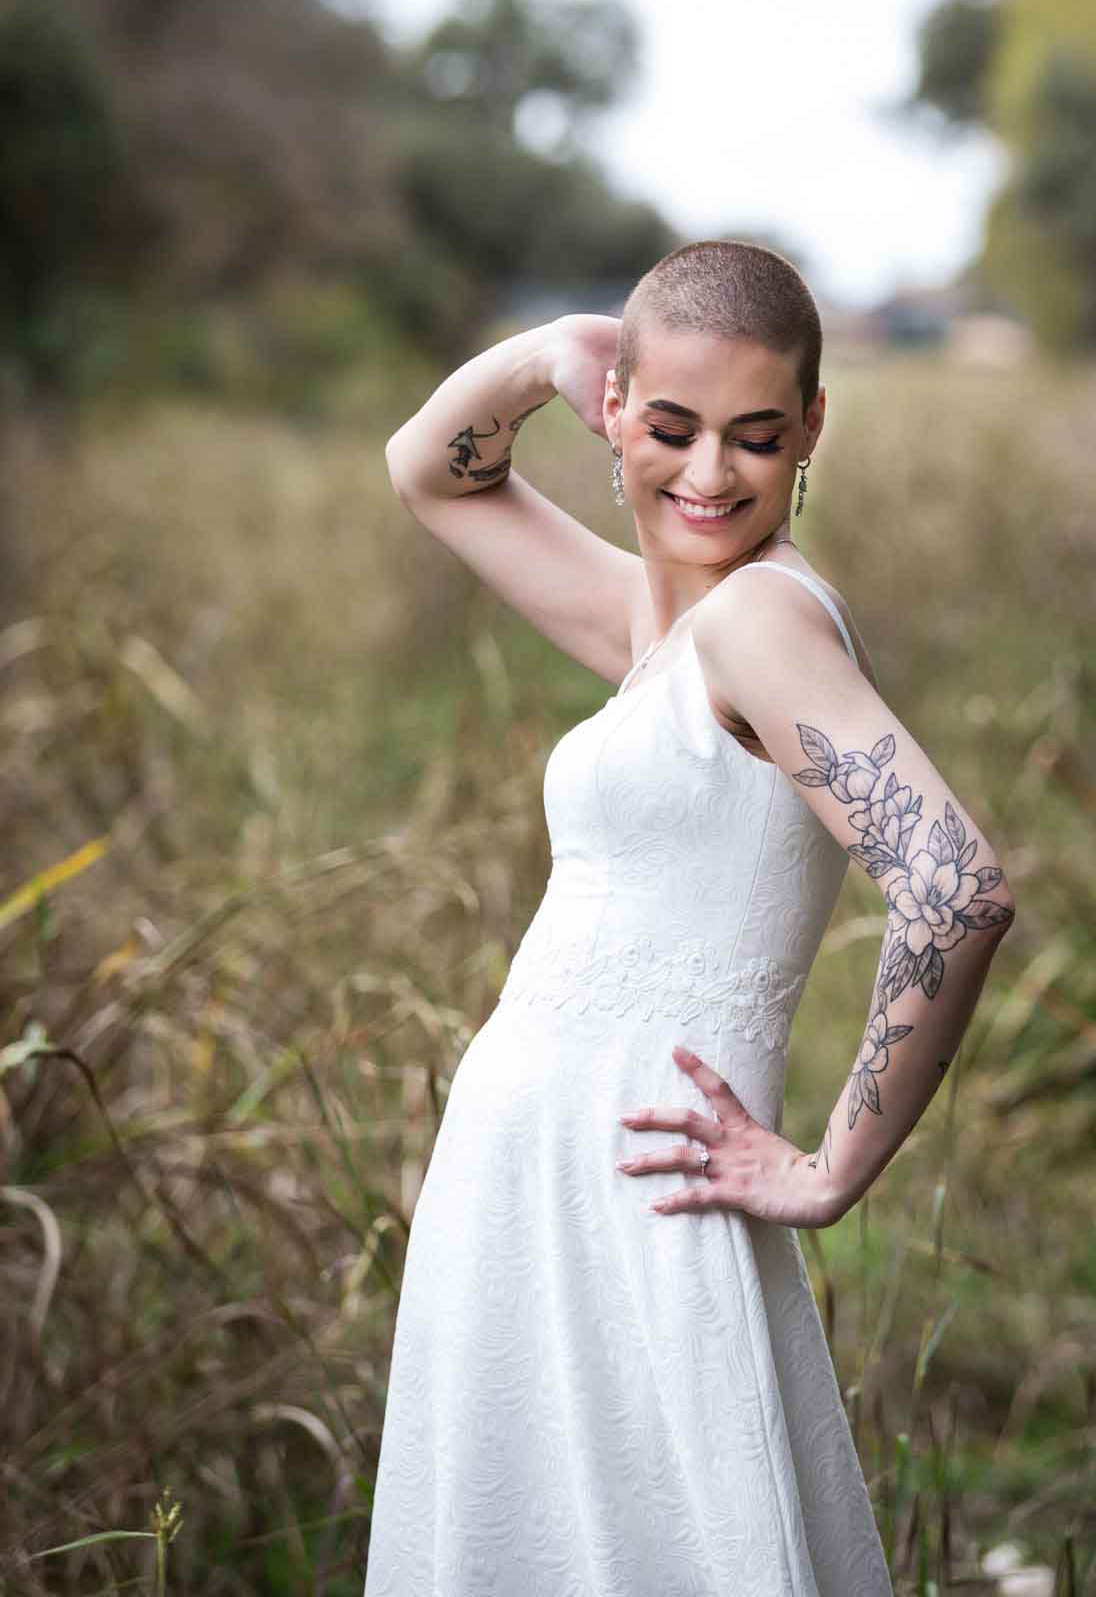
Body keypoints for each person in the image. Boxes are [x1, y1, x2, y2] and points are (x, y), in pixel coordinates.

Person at [364, 239, 1016, 1597]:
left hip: (642, 1188)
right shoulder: (663, 625)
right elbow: (431, 467)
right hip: (539, 1185)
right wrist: (554, 345)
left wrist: (829, 1168)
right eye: (670, 428)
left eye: (755, 438)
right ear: (617, 413)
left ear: (810, 432)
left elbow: (953, 890)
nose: (709, 476)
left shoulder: (755, 628)